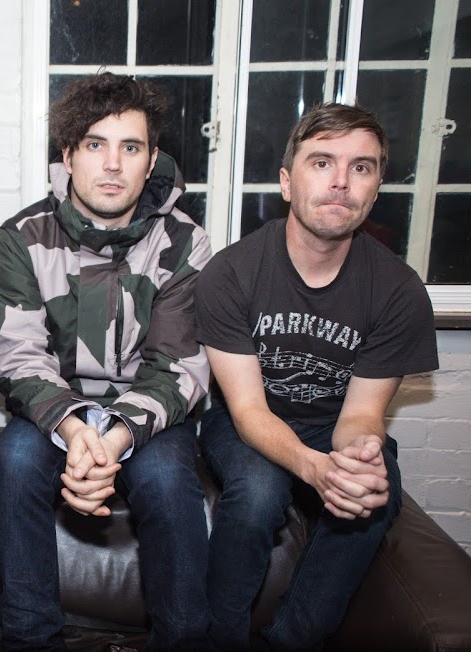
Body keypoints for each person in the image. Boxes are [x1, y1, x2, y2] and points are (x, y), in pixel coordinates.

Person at [195, 102, 439, 650]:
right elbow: (248, 410)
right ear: (287, 182)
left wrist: (359, 455)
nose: (341, 181)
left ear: (375, 190)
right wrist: (313, 468)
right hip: (249, 419)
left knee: (374, 492)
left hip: (335, 422)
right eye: (322, 162)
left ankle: (289, 642)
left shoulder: (399, 292)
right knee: (258, 493)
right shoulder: (230, 274)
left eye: (361, 167)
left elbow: (362, 414)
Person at [0, 72, 213, 650]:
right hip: (55, 411)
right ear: (68, 155)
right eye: (95, 144)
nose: (112, 164)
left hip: (148, 416)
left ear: (151, 159)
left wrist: (111, 440)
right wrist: (74, 428)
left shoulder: (186, 244)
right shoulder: (20, 238)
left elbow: (177, 368)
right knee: (13, 463)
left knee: (166, 482)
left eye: (130, 148)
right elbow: (17, 355)